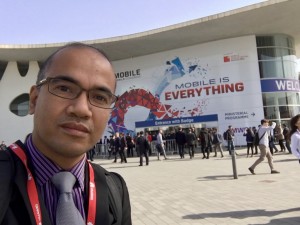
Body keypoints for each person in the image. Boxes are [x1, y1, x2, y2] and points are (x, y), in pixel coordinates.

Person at [0, 43, 131, 225]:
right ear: (34, 100)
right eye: (64, 88)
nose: (82, 109)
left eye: (100, 97)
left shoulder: (114, 190)